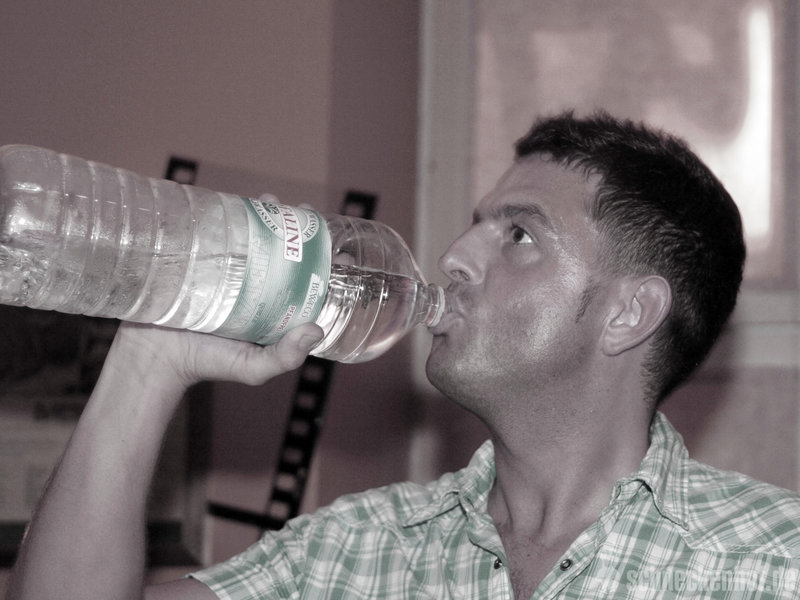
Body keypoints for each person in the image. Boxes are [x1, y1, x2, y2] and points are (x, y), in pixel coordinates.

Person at [6, 111, 800, 600]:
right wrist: (152, 356)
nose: (455, 255)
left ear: (628, 313)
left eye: (519, 236)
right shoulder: (350, 552)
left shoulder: (773, 565)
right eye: (476, 224)